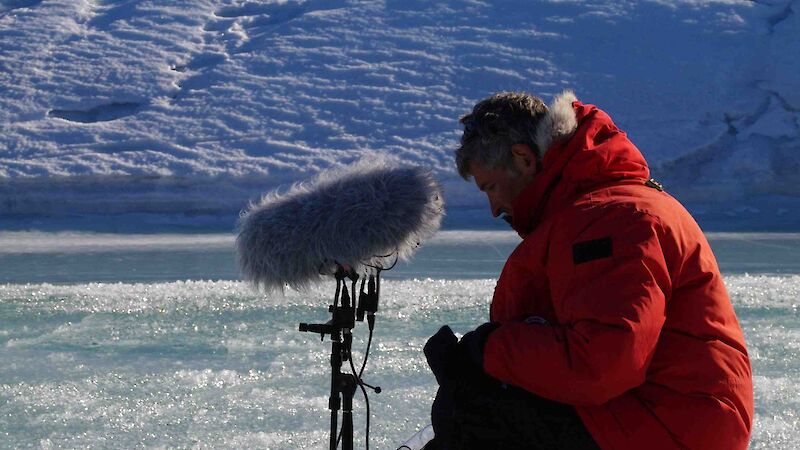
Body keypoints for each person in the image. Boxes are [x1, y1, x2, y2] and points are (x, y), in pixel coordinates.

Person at [423, 91, 754, 449]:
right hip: (666, 415)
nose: (493, 207)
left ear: (523, 159)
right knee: (476, 406)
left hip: (670, 423)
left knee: (477, 420)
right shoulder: (597, 209)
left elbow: (602, 364)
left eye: (491, 188)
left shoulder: (609, 219)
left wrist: (486, 349)